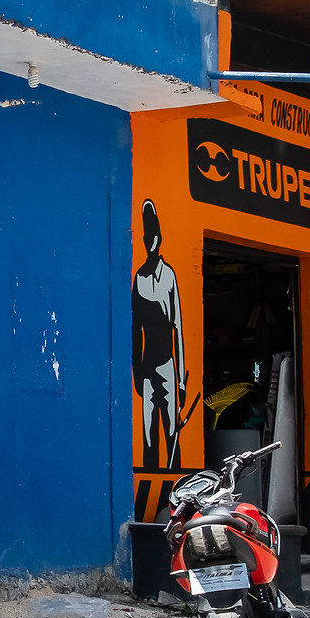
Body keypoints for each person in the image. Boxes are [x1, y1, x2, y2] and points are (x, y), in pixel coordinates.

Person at [132, 201, 186, 470]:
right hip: (146, 366)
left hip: (167, 365)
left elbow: (178, 328)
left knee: (172, 431)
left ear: (159, 238)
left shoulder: (169, 277)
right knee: (148, 435)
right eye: (146, 235)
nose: (149, 240)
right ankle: (149, 491)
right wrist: (136, 371)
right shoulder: (138, 278)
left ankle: (177, 488)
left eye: (153, 235)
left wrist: (182, 381)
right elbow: (133, 329)